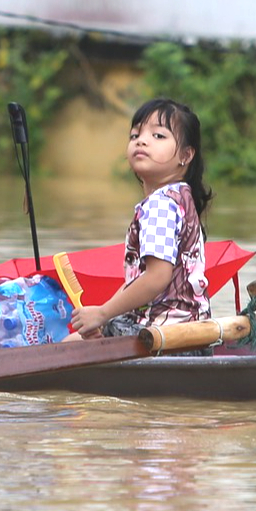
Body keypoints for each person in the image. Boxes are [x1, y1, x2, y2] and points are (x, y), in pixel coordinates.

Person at [69, 97, 214, 344]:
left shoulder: (160, 205)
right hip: (191, 332)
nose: (142, 140)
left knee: (66, 347)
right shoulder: (181, 196)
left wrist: (102, 313)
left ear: (186, 155)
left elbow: (157, 278)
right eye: (135, 135)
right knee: (88, 333)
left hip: (163, 335)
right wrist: (103, 317)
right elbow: (139, 281)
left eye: (158, 136)